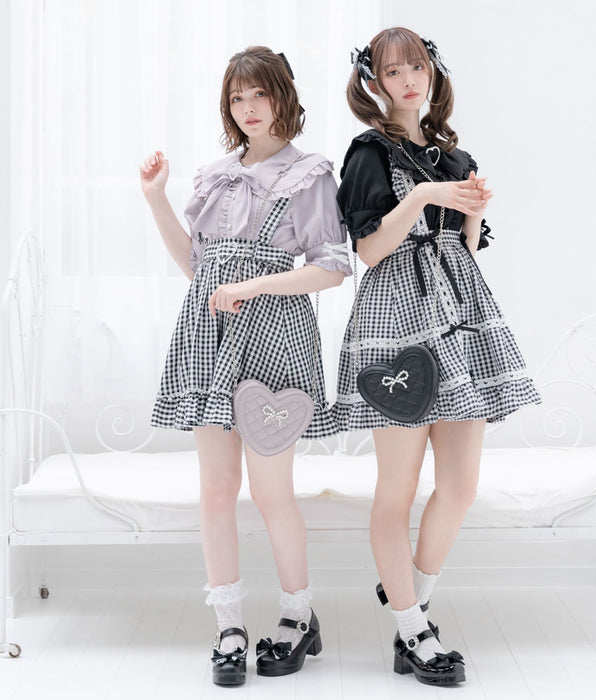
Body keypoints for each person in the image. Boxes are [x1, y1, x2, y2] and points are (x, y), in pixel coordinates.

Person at [330, 27, 543, 686]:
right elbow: (370, 251)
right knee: (396, 491)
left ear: (432, 73)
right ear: (374, 82)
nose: (407, 81)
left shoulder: (454, 156)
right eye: (393, 71)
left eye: (416, 67)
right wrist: (422, 197)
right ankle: (415, 633)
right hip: (396, 322)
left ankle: (409, 606)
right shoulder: (369, 153)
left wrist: (472, 212)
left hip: (459, 319)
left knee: (459, 486)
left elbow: (464, 251)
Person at [140, 46, 352, 686]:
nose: (249, 107)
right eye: (237, 97)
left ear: (283, 96)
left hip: (275, 336)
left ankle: (297, 616)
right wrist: (155, 199)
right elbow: (198, 266)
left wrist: (252, 287)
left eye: (259, 94)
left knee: (269, 490)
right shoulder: (215, 176)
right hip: (209, 336)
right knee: (215, 489)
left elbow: (331, 269)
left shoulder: (309, 174)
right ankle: (229, 626)